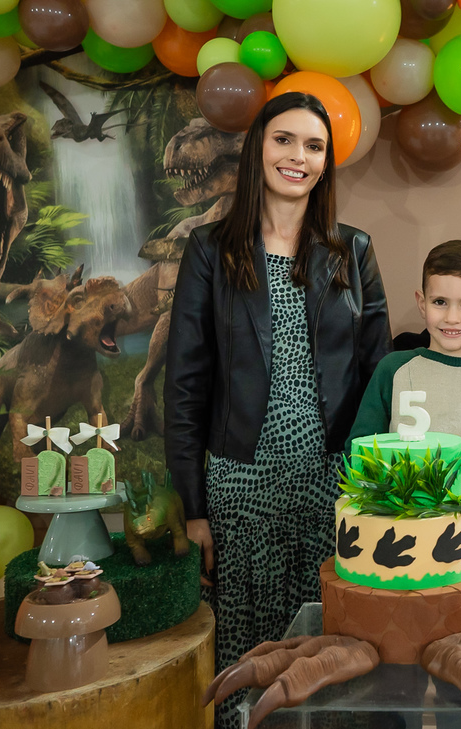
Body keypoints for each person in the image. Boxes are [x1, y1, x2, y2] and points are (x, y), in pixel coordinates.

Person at [164, 92, 391, 729]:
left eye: (313, 146)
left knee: (330, 647)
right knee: (252, 652)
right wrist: (195, 508)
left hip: (333, 484)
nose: (298, 156)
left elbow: (379, 381)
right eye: (284, 140)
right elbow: (184, 384)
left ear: (325, 164)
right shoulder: (209, 250)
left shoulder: (354, 251)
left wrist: (370, 490)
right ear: (258, 149)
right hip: (241, 483)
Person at [346, 239, 461, 553]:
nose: (452, 317)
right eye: (440, 302)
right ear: (422, 302)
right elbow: (360, 446)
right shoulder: (395, 369)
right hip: (396, 539)